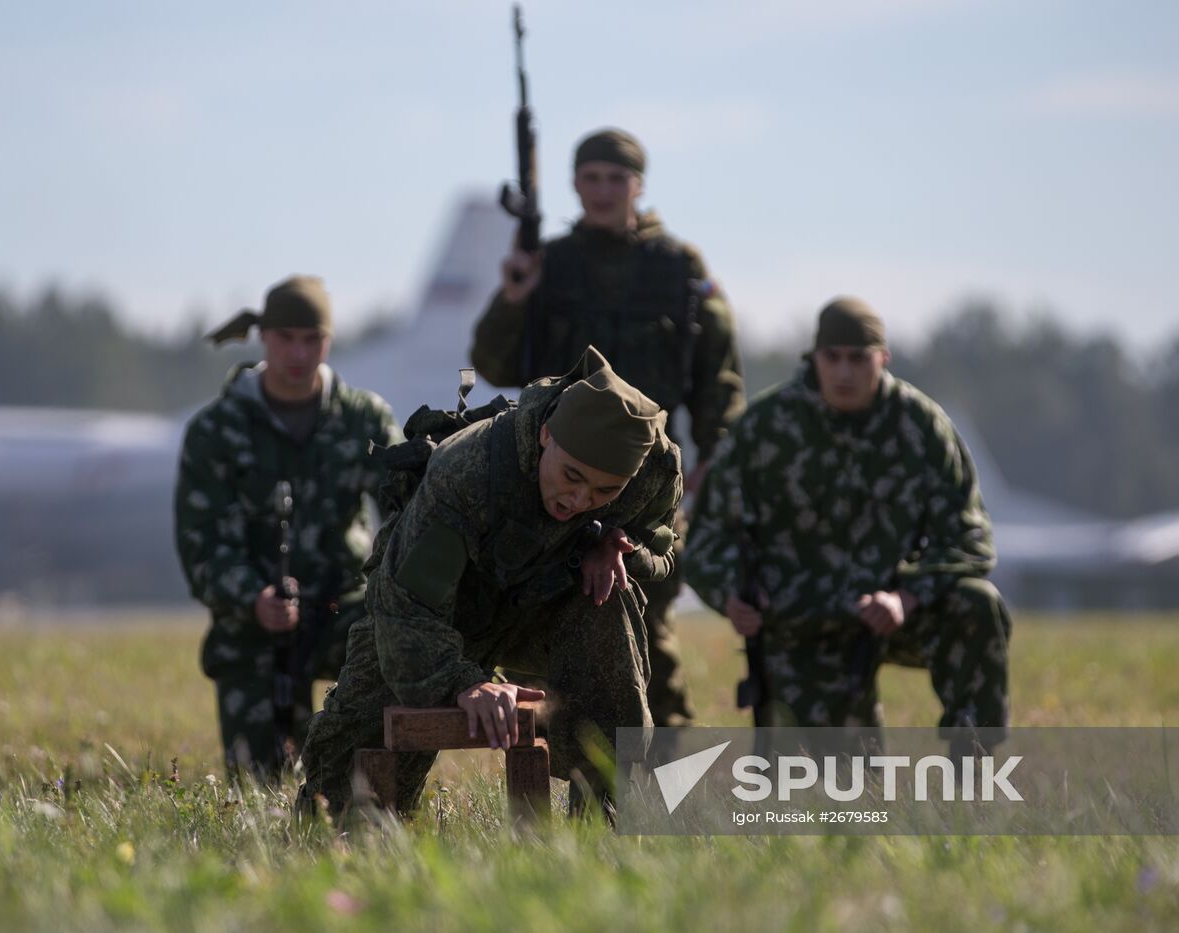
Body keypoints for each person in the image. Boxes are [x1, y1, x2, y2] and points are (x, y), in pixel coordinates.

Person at [298, 346, 683, 815]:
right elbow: (406, 608)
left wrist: (612, 542)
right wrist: (467, 685)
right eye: (571, 476)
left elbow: (660, 545)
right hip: (438, 613)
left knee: (610, 597)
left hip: (539, 607)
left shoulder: (652, 474)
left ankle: (607, 817)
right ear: (545, 435)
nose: (580, 498)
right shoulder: (468, 472)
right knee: (341, 798)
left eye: (605, 491)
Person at [469, 127, 744, 725]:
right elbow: (493, 364)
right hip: (559, 480)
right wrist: (515, 296)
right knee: (550, 641)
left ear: (638, 186)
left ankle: (667, 784)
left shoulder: (678, 268)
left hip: (647, 484)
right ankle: (574, 793)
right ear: (573, 184)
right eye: (591, 178)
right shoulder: (551, 264)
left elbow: (717, 376)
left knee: (648, 632)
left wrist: (712, 459)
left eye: (615, 179)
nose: (602, 191)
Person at [683, 297, 1011, 736]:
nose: (843, 372)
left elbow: (970, 537)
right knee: (838, 797)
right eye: (832, 357)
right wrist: (731, 596)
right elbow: (705, 535)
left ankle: (974, 772)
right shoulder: (765, 427)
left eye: (858, 359)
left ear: (883, 359)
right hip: (801, 624)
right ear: (813, 358)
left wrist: (906, 596)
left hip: (894, 611)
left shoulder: (920, 426)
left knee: (977, 604)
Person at [174, 275, 402, 779]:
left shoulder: (362, 419)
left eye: (312, 340)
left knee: (394, 642)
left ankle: (366, 785)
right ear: (263, 338)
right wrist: (252, 597)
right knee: (261, 783)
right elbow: (202, 543)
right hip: (259, 613)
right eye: (286, 339)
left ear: (329, 340)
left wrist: (398, 590)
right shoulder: (217, 431)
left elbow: (409, 507)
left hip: (343, 601)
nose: (299, 354)